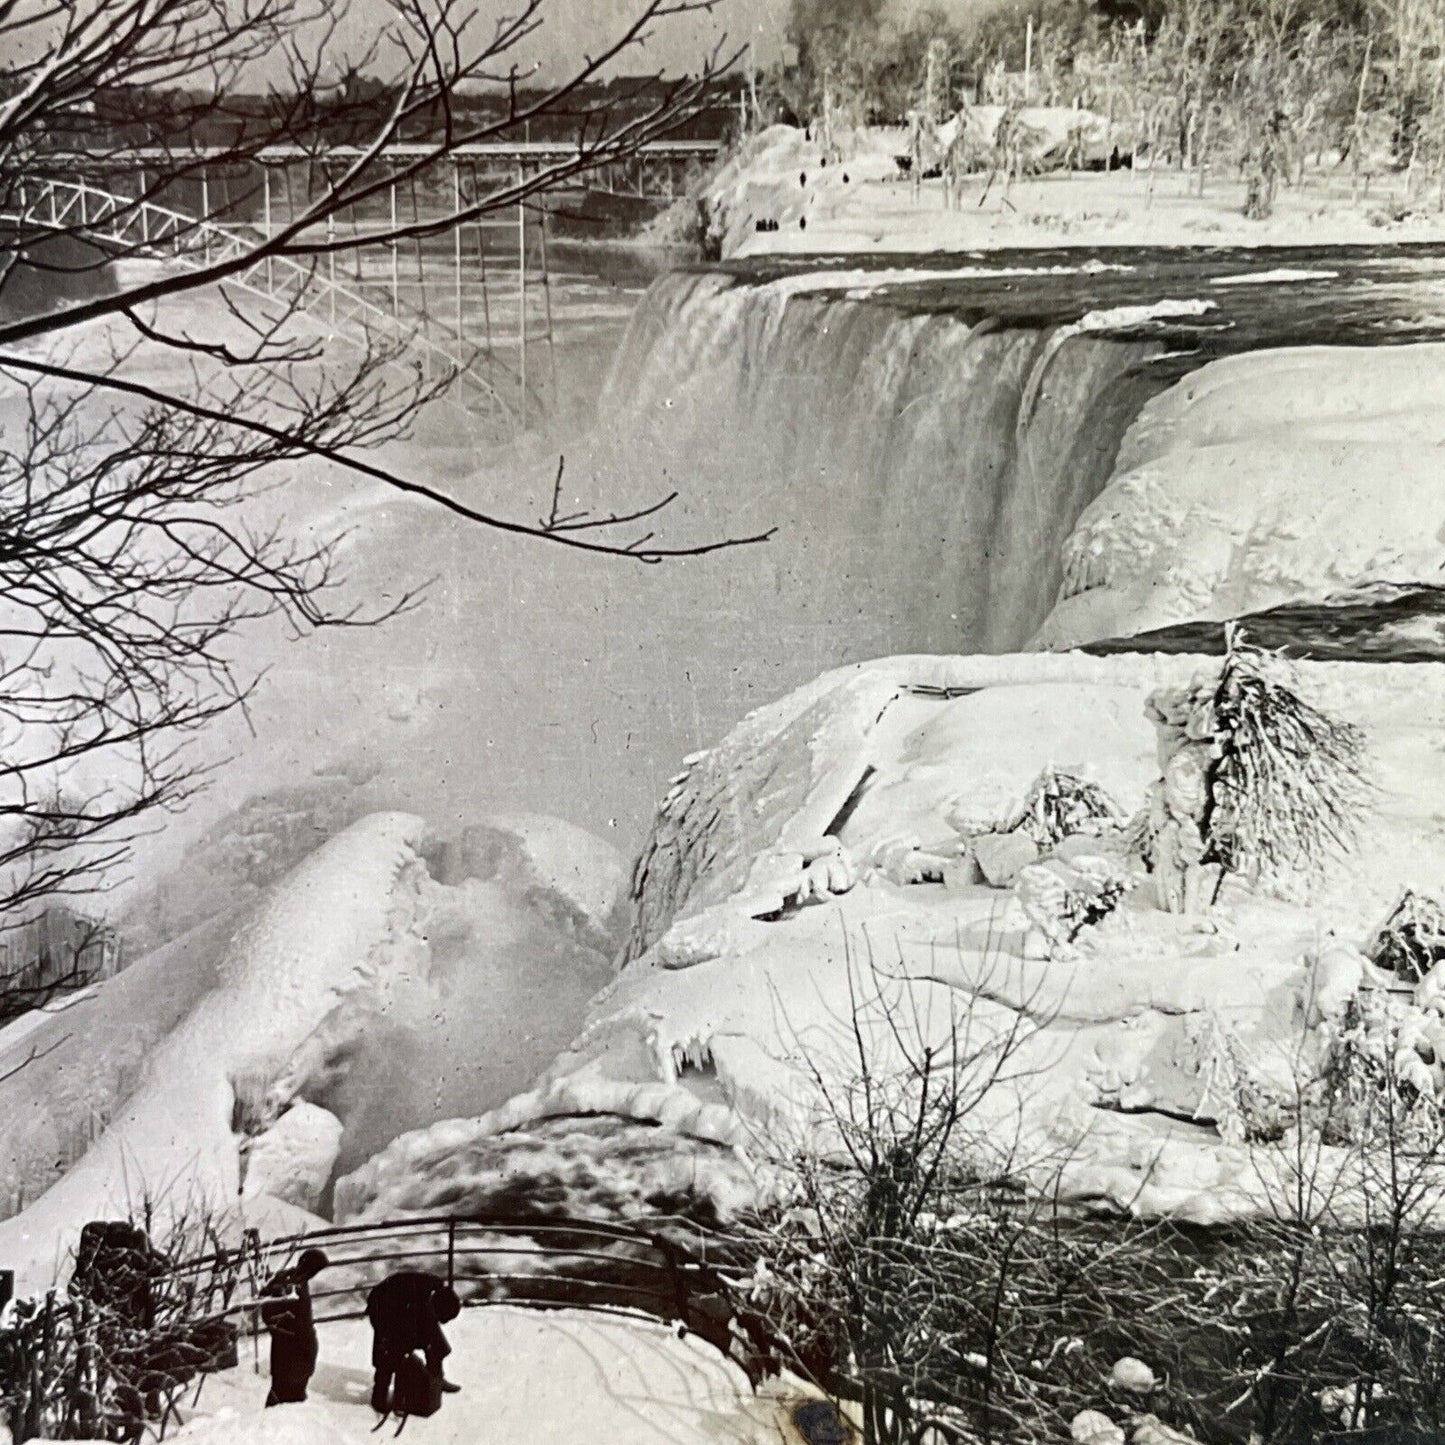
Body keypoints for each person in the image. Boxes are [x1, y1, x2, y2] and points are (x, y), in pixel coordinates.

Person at [364, 1271, 462, 1415]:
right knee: (391, 1353)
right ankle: (379, 1394)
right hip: (383, 1309)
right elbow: (400, 1328)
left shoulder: (435, 1290)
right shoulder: (408, 1294)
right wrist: (405, 1348)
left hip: (412, 1311)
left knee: (436, 1344)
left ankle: (435, 1380)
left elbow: (426, 1319)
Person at [259, 1249, 330, 1407]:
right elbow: (268, 1313)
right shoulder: (285, 1284)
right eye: (315, 1270)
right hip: (290, 1349)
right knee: (285, 1394)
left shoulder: (299, 1281)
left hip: (300, 1346)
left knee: (294, 1391)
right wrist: (287, 1331)